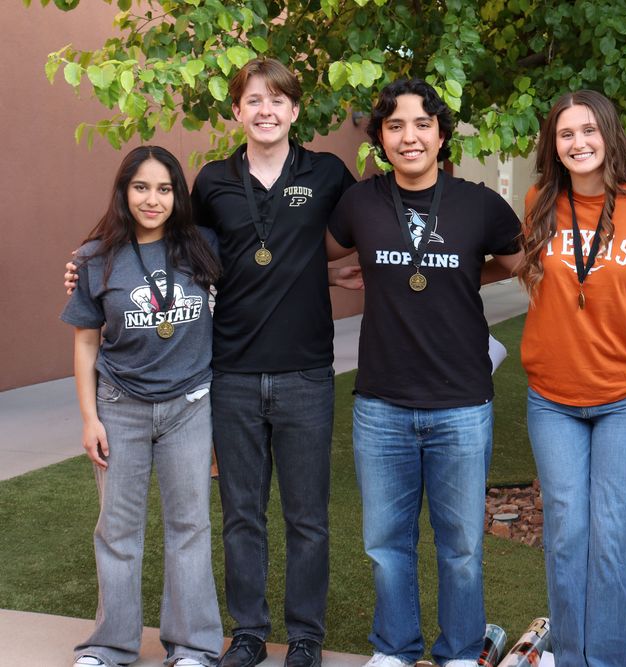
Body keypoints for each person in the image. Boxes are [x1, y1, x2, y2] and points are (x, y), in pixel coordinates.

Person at [65, 58, 359, 667]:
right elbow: (178, 249)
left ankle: (305, 636)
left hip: (306, 370)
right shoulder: (212, 181)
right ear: (236, 111)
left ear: (296, 110)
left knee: (307, 516)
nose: (266, 111)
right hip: (230, 373)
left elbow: (359, 232)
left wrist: (335, 268)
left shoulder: (329, 173)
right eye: (253, 100)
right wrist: (86, 267)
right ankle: (248, 632)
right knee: (239, 514)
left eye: (277, 100)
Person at [325, 78, 522, 667]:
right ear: (381, 138)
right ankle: (395, 648)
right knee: (387, 545)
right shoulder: (360, 202)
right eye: (395, 126)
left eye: (421, 125)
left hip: (461, 402)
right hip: (381, 403)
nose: (409, 137)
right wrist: (331, 276)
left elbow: (516, 262)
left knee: (461, 546)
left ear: (440, 134)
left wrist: (461, 273)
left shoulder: (478, 203)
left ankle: (460, 652)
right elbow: (320, 254)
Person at [513, 89, 626, 667]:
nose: (578, 143)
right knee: (566, 534)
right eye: (565, 134)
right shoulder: (538, 199)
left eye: (588, 131)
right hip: (551, 395)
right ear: (553, 145)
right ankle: (572, 658)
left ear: (608, 134)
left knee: (613, 539)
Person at [62, 146, 223, 667]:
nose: (152, 199)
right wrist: (89, 419)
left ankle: (193, 647)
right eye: (141, 187)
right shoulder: (93, 258)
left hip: (190, 406)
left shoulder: (203, 248)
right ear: (123, 191)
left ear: (178, 195)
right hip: (119, 406)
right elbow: (86, 341)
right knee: (118, 529)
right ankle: (109, 646)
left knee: (190, 527)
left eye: (164, 188)